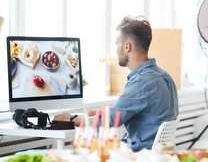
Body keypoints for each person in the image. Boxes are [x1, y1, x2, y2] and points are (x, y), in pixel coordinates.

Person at [54, 15, 179, 151]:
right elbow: (141, 112)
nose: (115, 50)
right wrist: (103, 113)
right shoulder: (164, 76)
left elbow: (108, 123)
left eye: (117, 44)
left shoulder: (141, 81)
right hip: (153, 154)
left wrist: (71, 118)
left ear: (127, 46)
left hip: (135, 155)